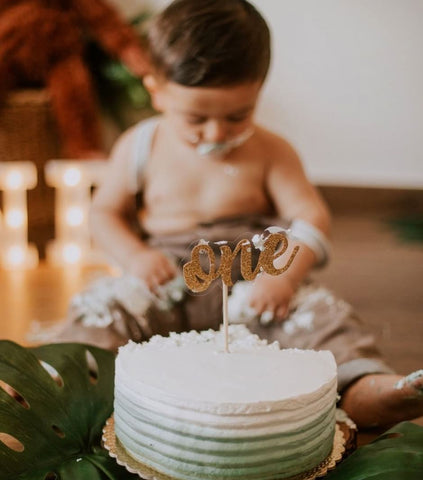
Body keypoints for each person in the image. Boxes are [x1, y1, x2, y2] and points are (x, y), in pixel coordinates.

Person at [60, 0, 423, 429]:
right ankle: (74, 381)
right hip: (167, 278)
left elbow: (310, 218)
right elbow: (105, 213)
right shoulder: (140, 146)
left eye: (238, 116)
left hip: (255, 276)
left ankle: (366, 387)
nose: (216, 133)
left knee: (323, 317)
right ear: (155, 88)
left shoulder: (272, 152)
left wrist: (284, 276)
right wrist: (134, 256)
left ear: (257, 91)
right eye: (195, 118)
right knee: (104, 310)